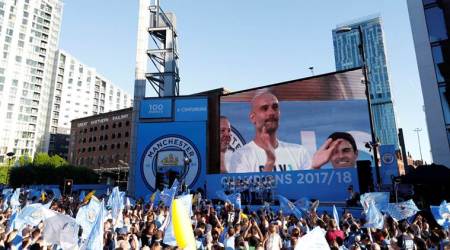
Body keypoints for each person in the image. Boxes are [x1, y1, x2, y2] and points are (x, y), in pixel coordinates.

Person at [229, 91, 342, 173]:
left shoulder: (299, 152)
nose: (271, 112)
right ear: (252, 117)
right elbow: (247, 197)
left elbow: (308, 192)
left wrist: (315, 167)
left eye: (275, 107)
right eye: (264, 108)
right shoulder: (241, 156)